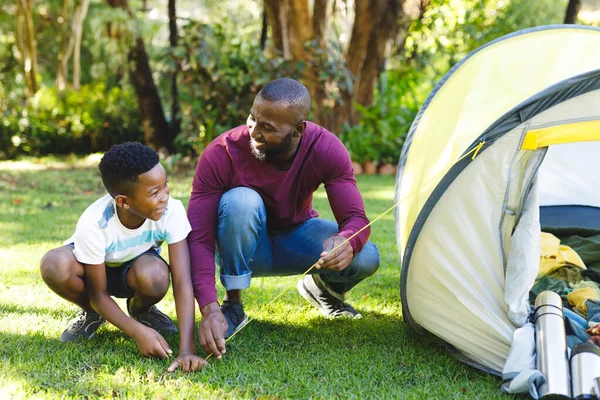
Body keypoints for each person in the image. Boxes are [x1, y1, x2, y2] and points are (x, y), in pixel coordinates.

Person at [187, 77, 380, 359]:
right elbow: (199, 238)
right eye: (253, 119)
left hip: (296, 236)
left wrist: (345, 241)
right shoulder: (222, 152)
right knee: (241, 200)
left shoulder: (325, 148)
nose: (254, 132)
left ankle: (323, 288)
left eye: (268, 127)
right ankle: (233, 304)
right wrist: (209, 306)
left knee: (366, 257)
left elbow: (355, 218)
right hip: (245, 248)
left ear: (298, 129)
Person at [40, 142, 206, 373]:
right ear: (123, 201)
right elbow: (99, 294)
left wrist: (187, 349)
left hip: (136, 270)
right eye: (154, 192)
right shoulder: (95, 223)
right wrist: (136, 332)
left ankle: (141, 311)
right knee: (54, 264)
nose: (165, 197)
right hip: (94, 273)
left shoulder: (172, 211)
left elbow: (182, 282)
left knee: (156, 275)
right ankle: (92, 314)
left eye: (165, 185)